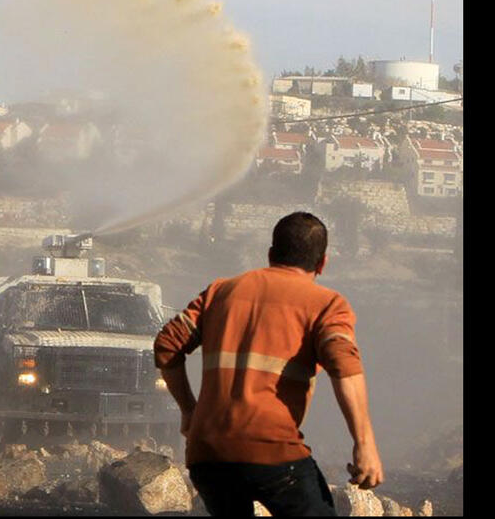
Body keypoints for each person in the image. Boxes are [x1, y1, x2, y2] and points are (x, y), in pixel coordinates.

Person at [154, 211, 383, 516]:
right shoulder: (327, 305)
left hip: (207, 454)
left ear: (271, 254)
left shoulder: (220, 292)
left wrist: (189, 411)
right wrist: (364, 443)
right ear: (322, 263)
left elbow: (167, 345)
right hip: (273, 452)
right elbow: (345, 367)